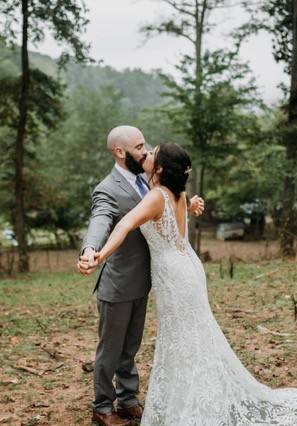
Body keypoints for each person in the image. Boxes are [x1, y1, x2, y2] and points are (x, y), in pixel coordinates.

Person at [91, 142, 297, 425]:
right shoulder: (177, 194)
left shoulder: (156, 197)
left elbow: (125, 224)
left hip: (174, 274)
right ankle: (193, 395)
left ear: (162, 168)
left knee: (182, 340)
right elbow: (165, 215)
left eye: (152, 152)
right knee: (190, 338)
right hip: (186, 269)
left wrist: (100, 254)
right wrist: (190, 205)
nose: (147, 152)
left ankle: (190, 402)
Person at [77, 126, 204, 426]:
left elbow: (168, 204)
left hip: (149, 280)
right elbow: (102, 220)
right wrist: (90, 250)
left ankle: (128, 399)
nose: (145, 151)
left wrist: (190, 203)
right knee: (110, 349)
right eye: (139, 146)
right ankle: (102, 407)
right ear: (120, 152)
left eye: (146, 145)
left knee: (130, 346)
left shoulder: (150, 180)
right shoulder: (107, 188)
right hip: (118, 283)